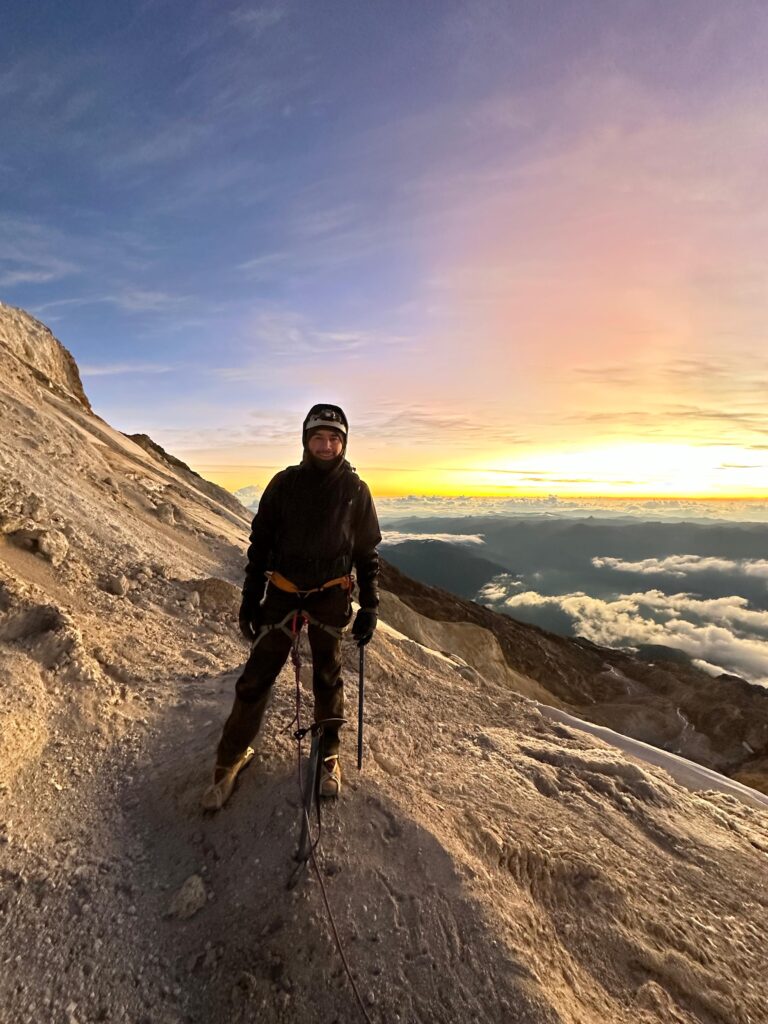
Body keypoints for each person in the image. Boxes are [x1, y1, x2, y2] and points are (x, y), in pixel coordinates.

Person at [202, 404, 381, 811]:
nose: (327, 445)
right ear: (306, 440)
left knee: (328, 676)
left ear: (344, 442)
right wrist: (250, 597)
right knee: (256, 676)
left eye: (334, 438)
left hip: (330, 595)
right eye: (319, 437)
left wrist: (370, 605)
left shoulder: (355, 491)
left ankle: (328, 754)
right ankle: (228, 760)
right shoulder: (283, 485)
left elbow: (366, 553)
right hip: (282, 592)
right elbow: (260, 546)